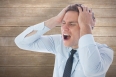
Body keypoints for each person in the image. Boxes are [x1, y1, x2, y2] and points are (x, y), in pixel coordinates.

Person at [15, 4, 113, 77]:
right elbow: (21, 42)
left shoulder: (104, 52)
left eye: (72, 24)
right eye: (63, 23)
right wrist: (56, 20)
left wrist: (86, 25)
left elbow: (91, 70)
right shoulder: (58, 42)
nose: (64, 28)